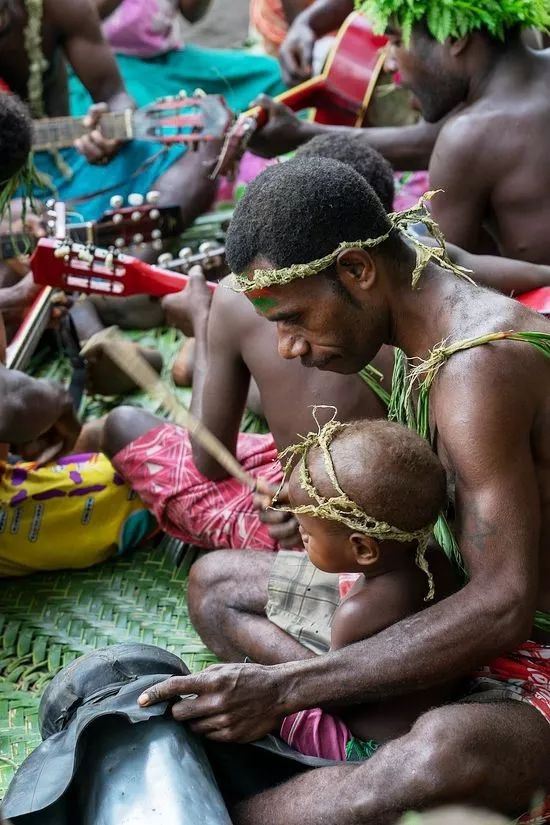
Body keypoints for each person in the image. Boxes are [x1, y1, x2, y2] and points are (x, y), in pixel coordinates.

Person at [137, 157, 550, 822]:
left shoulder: (479, 368)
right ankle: (364, 726)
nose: (288, 347)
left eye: (295, 317)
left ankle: (337, 766)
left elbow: (504, 603)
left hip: (529, 647)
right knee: (218, 586)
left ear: (358, 270)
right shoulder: (411, 282)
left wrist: (283, 688)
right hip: (448, 607)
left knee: (440, 752)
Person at [251, 0, 550, 263]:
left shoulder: (469, 137)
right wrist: (309, 22)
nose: (390, 61)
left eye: (395, 40)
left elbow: (446, 284)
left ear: (455, 37)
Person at [0, 0, 283, 225]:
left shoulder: (56, 6)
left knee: (204, 145)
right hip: (11, 193)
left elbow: (115, 96)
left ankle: (121, 274)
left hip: (65, 158)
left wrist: (111, 133)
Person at [277, 415, 458, 761]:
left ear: (363, 549)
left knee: (282, 714)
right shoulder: (436, 562)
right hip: (431, 707)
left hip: (369, 746)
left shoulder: (356, 614)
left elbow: (336, 695)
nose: (300, 536)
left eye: (307, 532)